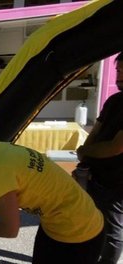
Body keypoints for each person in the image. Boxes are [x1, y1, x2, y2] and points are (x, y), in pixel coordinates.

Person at [0, 98, 105, 264]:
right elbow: (11, 198)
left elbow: (10, 230)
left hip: (79, 233)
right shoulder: (0, 149)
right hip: (64, 220)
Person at [77, 52, 123, 264]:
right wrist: (84, 152)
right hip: (96, 175)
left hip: (116, 182)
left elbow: (116, 147)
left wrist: (87, 152)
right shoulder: (114, 101)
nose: (119, 76)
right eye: (118, 70)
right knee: (93, 221)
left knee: (113, 231)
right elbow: (97, 130)